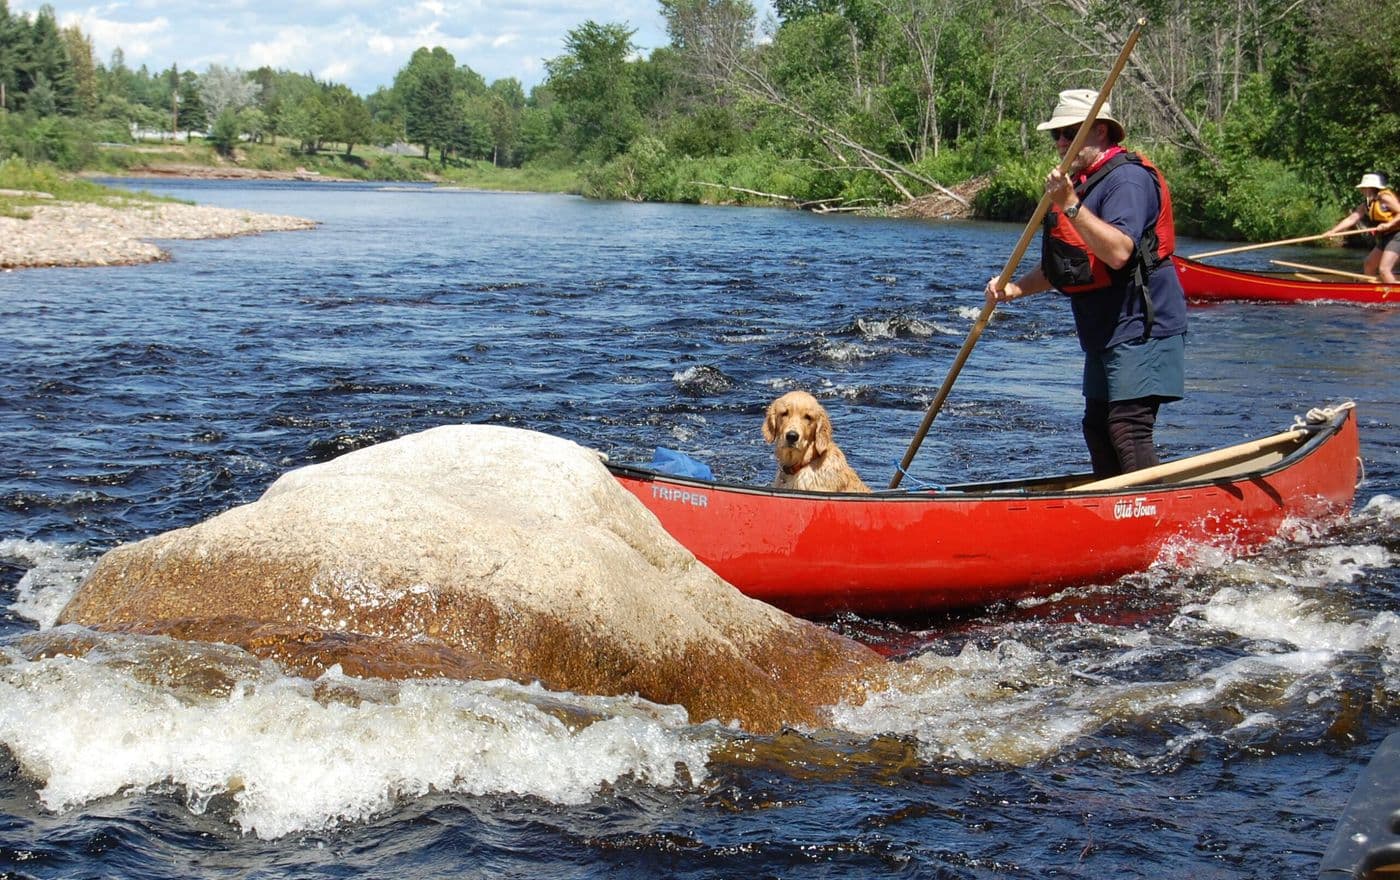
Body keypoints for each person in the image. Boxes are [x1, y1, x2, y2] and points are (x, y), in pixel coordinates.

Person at [984, 89, 1188, 478]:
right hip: (1103, 330)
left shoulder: (1126, 180)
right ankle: (1113, 509)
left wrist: (1071, 204)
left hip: (1143, 325)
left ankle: (1144, 514)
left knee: (1127, 427)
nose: (1061, 142)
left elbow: (1118, 252)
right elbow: (1069, 264)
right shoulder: (1081, 182)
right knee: (1096, 427)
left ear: (1099, 132)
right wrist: (1013, 290)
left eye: (1070, 132)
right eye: (1056, 135)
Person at [1323, 172, 1400, 283]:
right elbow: (1352, 219)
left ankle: (1394, 297)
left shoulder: (1385, 198)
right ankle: (1372, 292)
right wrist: (1332, 231)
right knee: (1369, 264)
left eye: (1364, 188)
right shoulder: (1367, 204)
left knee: (1384, 269)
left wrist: (1388, 224)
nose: (1362, 190)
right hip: (1386, 237)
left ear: (1371, 188)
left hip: (1397, 235)